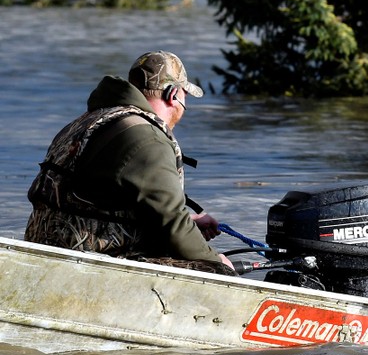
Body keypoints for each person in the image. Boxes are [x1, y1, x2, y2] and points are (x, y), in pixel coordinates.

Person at [24, 50, 235, 275]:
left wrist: (189, 222)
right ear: (173, 94)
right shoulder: (147, 137)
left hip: (43, 247)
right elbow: (173, 225)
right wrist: (217, 260)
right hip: (85, 262)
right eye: (185, 98)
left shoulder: (90, 121)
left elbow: (96, 201)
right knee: (219, 270)